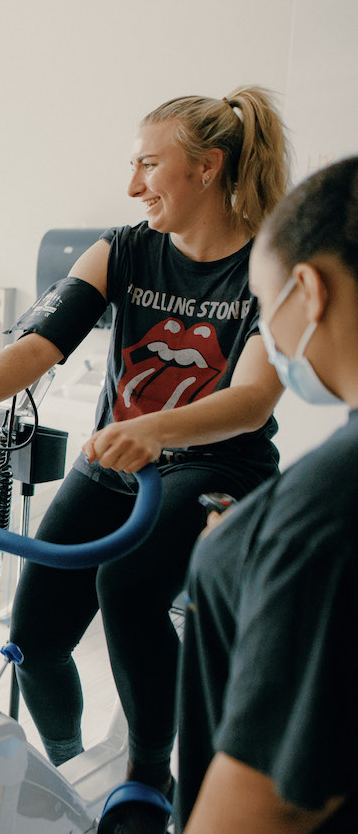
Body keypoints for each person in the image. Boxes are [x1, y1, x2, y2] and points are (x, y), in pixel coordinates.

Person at [0, 87, 289, 831]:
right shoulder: (122, 249)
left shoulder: (267, 266)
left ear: (209, 168)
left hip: (213, 466)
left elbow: (252, 399)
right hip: (114, 457)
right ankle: (63, 766)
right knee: (35, 635)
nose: (132, 185)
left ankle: (151, 779)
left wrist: (159, 430)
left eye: (150, 164)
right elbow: (39, 344)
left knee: (128, 584)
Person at [176, 156, 358, 833]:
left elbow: (266, 804)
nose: (270, 342)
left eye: (265, 307)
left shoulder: (323, 516)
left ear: (309, 290)